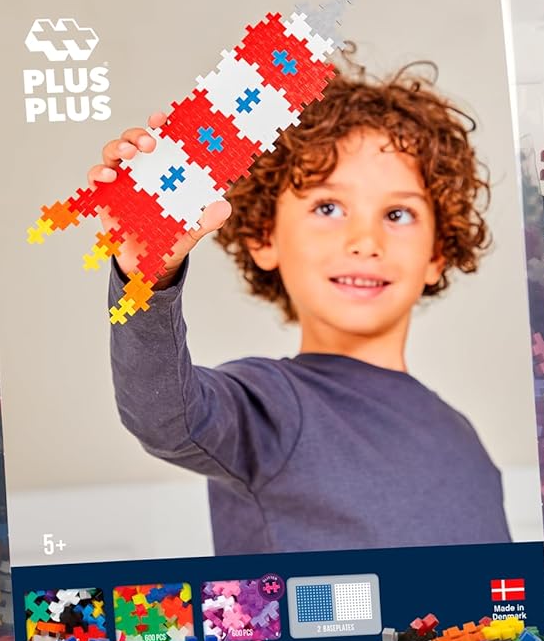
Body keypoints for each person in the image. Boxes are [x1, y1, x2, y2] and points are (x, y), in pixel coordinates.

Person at [96, 52, 510, 554]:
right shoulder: (271, 408)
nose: (365, 241)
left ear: (437, 253)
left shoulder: (461, 438)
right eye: (328, 207)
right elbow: (166, 418)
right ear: (263, 236)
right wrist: (146, 277)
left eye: (398, 214)